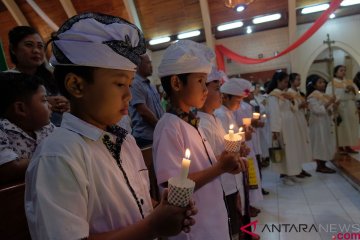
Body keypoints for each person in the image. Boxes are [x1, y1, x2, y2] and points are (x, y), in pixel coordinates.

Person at [25, 13, 196, 240]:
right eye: (119, 84)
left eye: (129, 84)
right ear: (76, 85)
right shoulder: (58, 156)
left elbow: (138, 206)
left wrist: (162, 212)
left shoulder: (125, 141)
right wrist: (152, 227)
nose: (128, 94)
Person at [153, 40, 244, 240]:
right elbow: (174, 185)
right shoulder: (169, 126)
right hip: (195, 228)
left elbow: (203, 167)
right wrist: (219, 168)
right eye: (200, 81)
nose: (205, 89)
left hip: (212, 217)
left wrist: (226, 164)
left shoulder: (190, 122)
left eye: (205, 82)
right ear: (177, 83)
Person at [198, 68, 248, 240]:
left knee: (235, 217)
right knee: (228, 224)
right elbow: (208, 161)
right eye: (217, 89)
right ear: (203, 91)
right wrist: (229, 158)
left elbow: (224, 148)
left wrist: (237, 150)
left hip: (229, 180)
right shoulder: (201, 124)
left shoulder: (214, 118)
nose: (221, 93)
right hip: (220, 184)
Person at [7, 26, 69, 126]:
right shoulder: (6, 80)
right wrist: (42, 103)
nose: (36, 50)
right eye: (29, 45)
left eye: (40, 46)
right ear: (14, 49)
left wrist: (65, 104)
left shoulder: (51, 76)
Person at [0, 72, 54, 184]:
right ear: (20, 108)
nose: (50, 105)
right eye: (44, 100)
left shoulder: (46, 127)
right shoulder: (2, 130)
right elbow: (9, 167)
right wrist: (55, 157)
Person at [267, 72, 305, 186]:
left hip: (291, 124)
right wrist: (275, 130)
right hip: (282, 124)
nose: (286, 84)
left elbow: (294, 108)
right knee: (285, 149)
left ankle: (292, 173)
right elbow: (274, 112)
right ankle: (285, 175)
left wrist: (292, 100)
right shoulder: (274, 95)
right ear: (278, 81)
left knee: (292, 149)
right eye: (284, 81)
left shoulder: (286, 94)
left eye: (287, 81)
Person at [129, 54, 164, 148]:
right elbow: (143, 111)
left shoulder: (150, 85)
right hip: (145, 138)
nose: (151, 66)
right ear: (138, 65)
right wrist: (161, 127)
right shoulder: (135, 84)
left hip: (156, 135)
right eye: (148, 63)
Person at [306, 74, 337, 173]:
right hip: (317, 123)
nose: (323, 84)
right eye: (320, 82)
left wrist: (334, 106)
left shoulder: (323, 95)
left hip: (325, 122)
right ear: (314, 85)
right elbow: (317, 110)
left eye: (323, 82)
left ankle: (323, 164)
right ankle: (320, 165)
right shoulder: (312, 97)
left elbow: (328, 109)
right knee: (320, 143)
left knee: (325, 142)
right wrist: (329, 103)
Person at [326, 65, 360, 154]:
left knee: (351, 126)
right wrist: (344, 91)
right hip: (340, 106)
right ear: (335, 72)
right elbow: (329, 96)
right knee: (342, 127)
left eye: (345, 70)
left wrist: (353, 90)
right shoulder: (332, 83)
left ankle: (348, 145)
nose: (343, 72)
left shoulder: (350, 82)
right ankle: (340, 146)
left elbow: (358, 93)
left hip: (350, 106)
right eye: (341, 70)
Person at [287, 73, 312, 178]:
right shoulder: (289, 93)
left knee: (302, 143)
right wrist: (300, 105)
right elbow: (290, 107)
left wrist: (304, 106)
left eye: (300, 79)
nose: (299, 81)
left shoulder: (298, 92)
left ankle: (300, 168)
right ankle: (297, 169)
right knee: (297, 144)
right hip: (294, 120)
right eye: (297, 79)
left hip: (300, 118)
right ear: (291, 81)